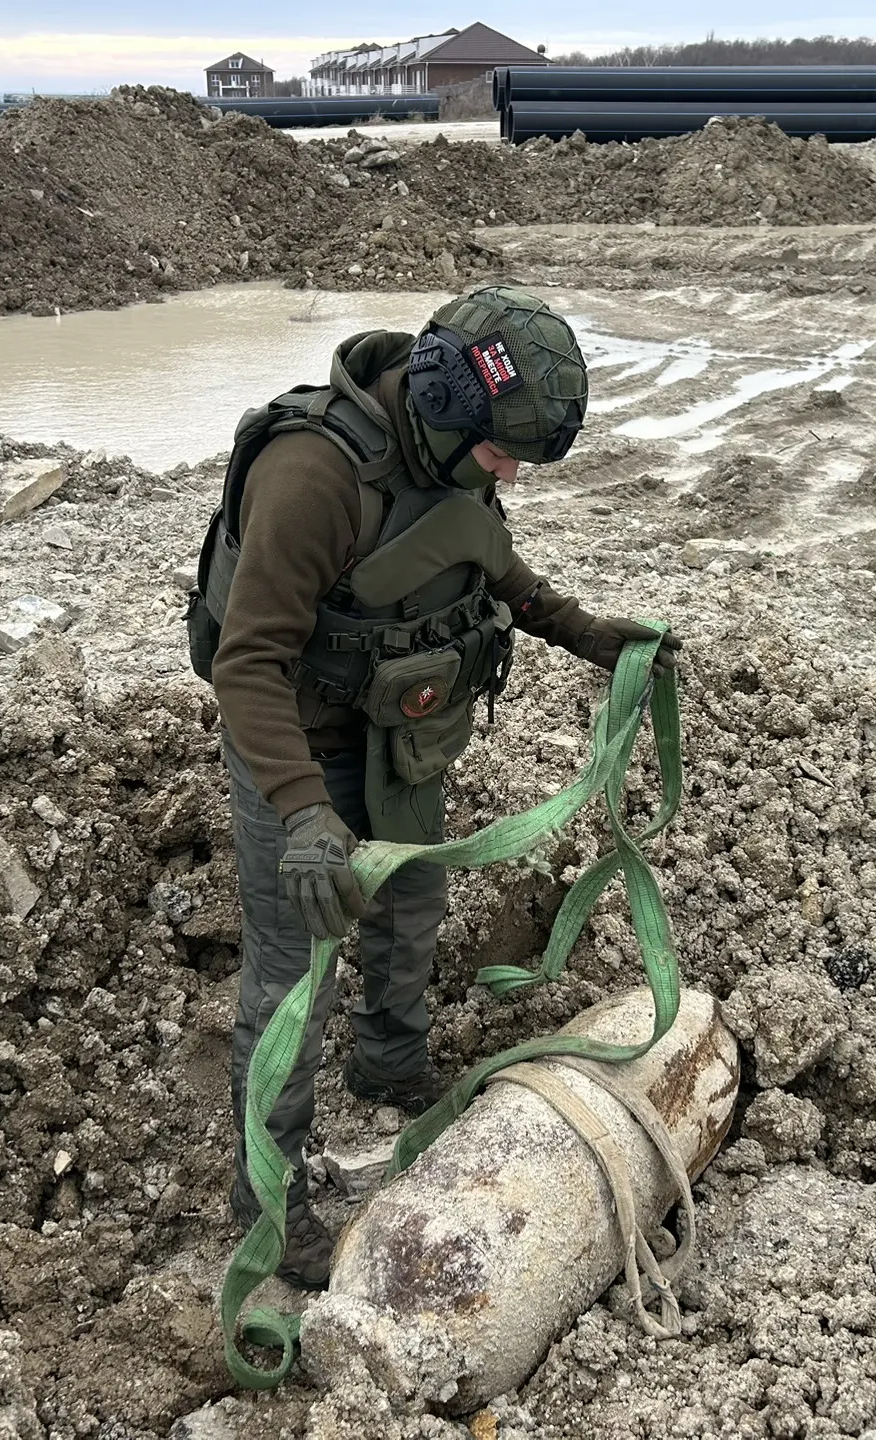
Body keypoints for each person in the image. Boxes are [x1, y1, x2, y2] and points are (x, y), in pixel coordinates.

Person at [185, 286, 681, 1288]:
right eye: (502, 454)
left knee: (411, 904)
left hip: (401, 737)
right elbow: (248, 663)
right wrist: (304, 814)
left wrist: (587, 634)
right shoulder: (312, 476)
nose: (510, 475)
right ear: (449, 404)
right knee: (294, 976)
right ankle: (268, 1203)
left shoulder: (449, 450)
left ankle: (390, 1065)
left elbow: (485, 558)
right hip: (297, 744)